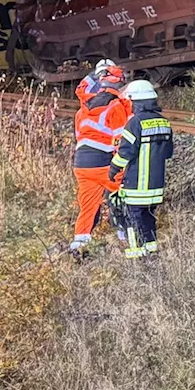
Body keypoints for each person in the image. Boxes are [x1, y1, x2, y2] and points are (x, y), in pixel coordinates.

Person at [110, 80, 175, 259]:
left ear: (136, 102)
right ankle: (152, 251)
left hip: (137, 184)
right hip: (156, 186)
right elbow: (168, 152)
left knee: (134, 219)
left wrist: (114, 169)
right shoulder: (164, 122)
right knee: (148, 218)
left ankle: (138, 256)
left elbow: (126, 152)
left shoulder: (135, 123)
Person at [70, 66, 130, 253]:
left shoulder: (82, 110)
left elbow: (80, 136)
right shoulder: (116, 106)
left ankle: (79, 243)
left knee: (87, 205)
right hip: (103, 163)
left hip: (81, 165)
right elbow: (121, 141)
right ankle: (125, 236)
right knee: (121, 197)